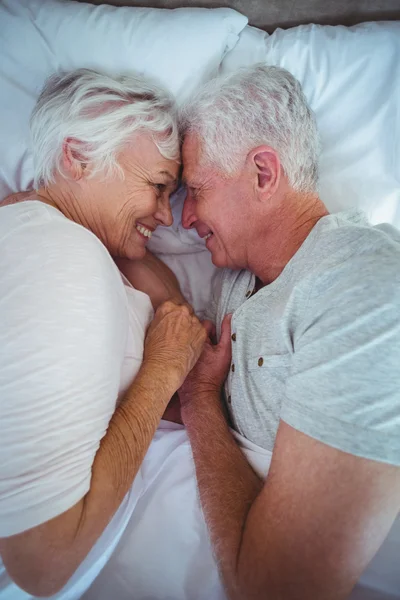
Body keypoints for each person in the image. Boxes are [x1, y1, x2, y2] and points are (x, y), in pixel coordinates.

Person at [179, 64, 400, 600]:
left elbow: (279, 589)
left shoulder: (363, 284)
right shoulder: (238, 283)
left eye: (196, 190)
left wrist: (200, 399)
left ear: (262, 172)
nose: (183, 219)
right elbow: (168, 315)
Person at [0, 68, 206, 598]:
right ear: (78, 157)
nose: (167, 216)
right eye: (159, 187)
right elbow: (43, 561)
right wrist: (161, 372)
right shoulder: (63, 259)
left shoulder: (54, 238)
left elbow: (174, 314)